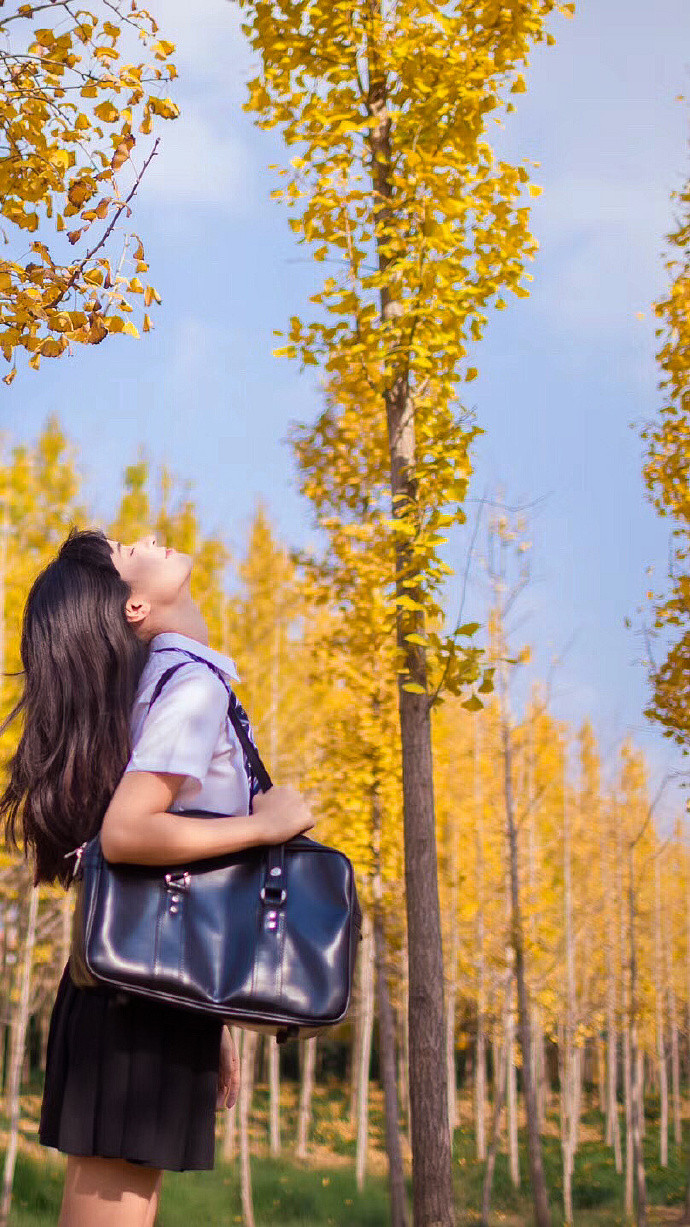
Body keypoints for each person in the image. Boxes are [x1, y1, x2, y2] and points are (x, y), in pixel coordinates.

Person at [0, 528, 314, 1227]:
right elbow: (129, 832)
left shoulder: (169, 685)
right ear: (135, 608)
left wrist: (212, 1008)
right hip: (134, 1004)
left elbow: (175, 877)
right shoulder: (192, 689)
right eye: (127, 551)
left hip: (141, 988)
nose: (148, 538)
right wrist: (266, 826)